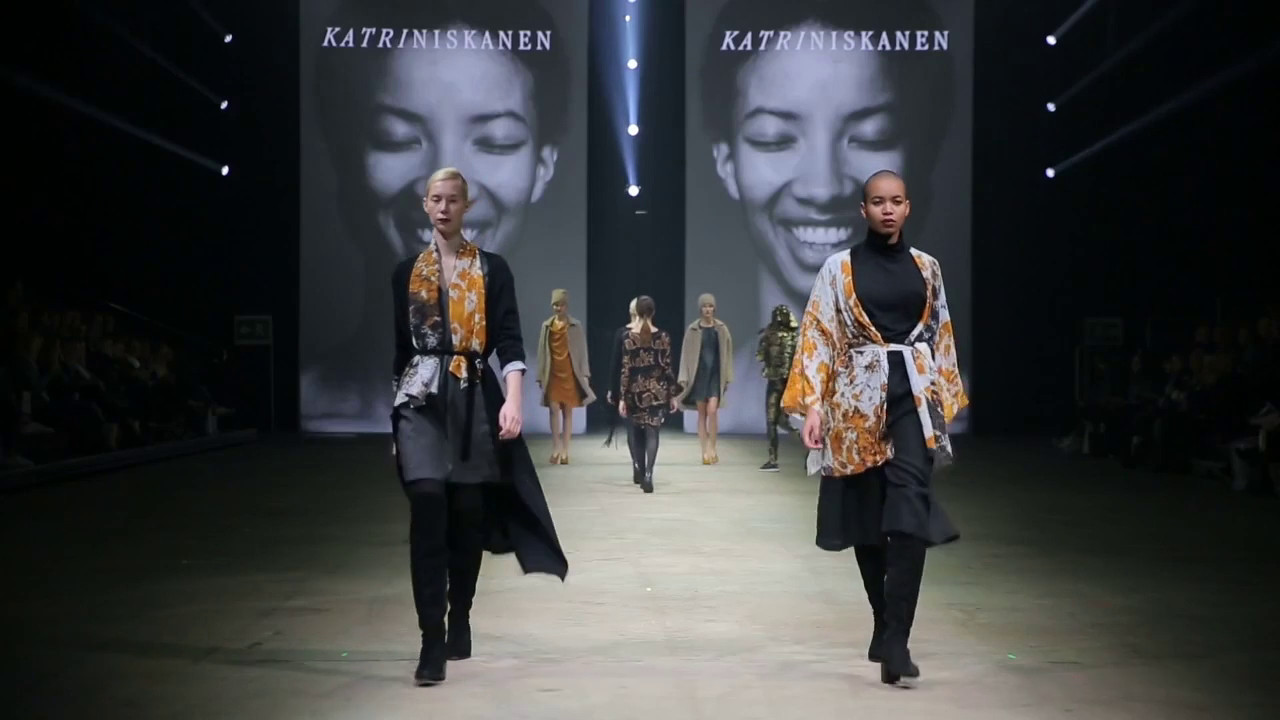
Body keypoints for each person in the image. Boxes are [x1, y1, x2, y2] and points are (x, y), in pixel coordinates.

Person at [303, 0, 571, 432]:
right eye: (396, 138)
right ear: (344, 157)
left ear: (543, 167)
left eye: (496, 141)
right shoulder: (317, 407)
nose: (447, 191)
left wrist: (513, 398)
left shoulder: (550, 410)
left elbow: (509, 346)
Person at [695, 0, 959, 434]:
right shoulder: (719, 404)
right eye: (774, 138)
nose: (823, 188)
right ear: (726, 163)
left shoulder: (941, 401)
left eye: (873, 136)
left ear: (922, 156)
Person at [782, 170, 966, 687]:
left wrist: (945, 399)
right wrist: (812, 407)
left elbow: (941, 332)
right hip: (856, 404)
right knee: (867, 518)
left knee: (909, 508)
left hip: (913, 398)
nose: (888, 209)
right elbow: (818, 334)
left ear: (907, 207)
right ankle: (883, 624)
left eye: (896, 201)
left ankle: (898, 638)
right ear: (863, 210)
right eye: (878, 202)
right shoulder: (838, 268)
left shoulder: (927, 267)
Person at [391, 167, 567, 686]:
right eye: (436, 199)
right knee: (427, 505)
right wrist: (392, 424)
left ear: (466, 206)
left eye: (453, 200)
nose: (444, 208)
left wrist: (513, 400)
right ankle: (431, 641)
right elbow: (401, 352)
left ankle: (460, 614)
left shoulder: (492, 269)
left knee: (466, 513)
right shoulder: (405, 273)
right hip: (419, 401)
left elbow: (509, 340)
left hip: (472, 397)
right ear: (425, 205)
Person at [619, 296, 682, 493]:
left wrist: (622, 397)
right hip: (657, 391)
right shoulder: (663, 337)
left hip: (635, 392)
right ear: (653, 312)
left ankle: (640, 470)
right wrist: (673, 395)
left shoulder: (628, 338)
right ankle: (648, 474)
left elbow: (626, 370)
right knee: (652, 432)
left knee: (638, 433)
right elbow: (667, 368)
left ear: (636, 312)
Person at [537, 289, 595, 464]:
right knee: (553, 410)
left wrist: (585, 373)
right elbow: (542, 352)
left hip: (570, 372)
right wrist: (540, 375)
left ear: (566, 306)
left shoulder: (575, 326)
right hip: (552, 372)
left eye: (561, 304)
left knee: (568, 411)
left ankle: (565, 451)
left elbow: (582, 351)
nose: (558, 308)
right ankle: (555, 448)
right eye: (555, 305)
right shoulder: (547, 326)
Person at [678, 294, 733, 464]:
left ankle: (712, 447)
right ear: (700, 309)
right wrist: (684, 377)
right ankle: (704, 452)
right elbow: (685, 355)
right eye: (704, 306)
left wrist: (728, 376)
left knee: (712, 411)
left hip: (715, 375)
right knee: (702, 414)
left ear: (714, 308)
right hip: (699, 375)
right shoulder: (693, 330)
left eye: (710, 306)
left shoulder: (721, 329)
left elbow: (728, 354)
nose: (707, 309)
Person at [756, 304, 799, 471]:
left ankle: (773, 459)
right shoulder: (795, 338)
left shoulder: (769, 336)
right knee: (779, 421)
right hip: (788, 384)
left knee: (773, 421)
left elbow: (760, 356)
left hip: (777, 383)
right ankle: (805, 447)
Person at [604, 298, 643, 483]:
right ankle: (640, 465)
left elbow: (615, 363)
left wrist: (612, 389)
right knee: (640, 428)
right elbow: (616, 362)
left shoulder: (624, 333)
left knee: (634, 429)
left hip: (631, 386)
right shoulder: (646, 333)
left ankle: (638, 464)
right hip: (638, 386)